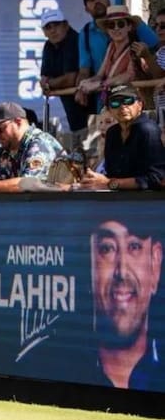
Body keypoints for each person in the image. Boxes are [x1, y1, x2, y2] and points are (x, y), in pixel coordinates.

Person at [90, 217, 164, 390]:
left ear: (155, 265)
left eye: (134, 246)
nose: (122, 272)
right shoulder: (61, 366)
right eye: (107, 248)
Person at [80, 84, 165, 191]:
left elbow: (157, 178)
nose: (122, 106)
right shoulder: (112, 133)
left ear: (140, 105)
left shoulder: (148, 130)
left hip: (149, 198)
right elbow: (111, 174)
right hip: (119, 197)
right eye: (115, 103)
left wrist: (110, 183)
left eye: (128, 100)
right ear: (109, 109)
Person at [76, 6, 148, 108]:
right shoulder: (111, 47)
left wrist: (100, 84)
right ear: (107, 30)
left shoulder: (136, 48)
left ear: (129, 27)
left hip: (131, 104)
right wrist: (86, 83)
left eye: (121, 24)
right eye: (111, 25)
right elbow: (100, 74)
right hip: (114, 102)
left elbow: (129, 75)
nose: (116, 28)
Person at [38, 9, 90, 150]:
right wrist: (48, 83)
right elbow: (44, 80)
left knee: (90, 156)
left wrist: (50, 83)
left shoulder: (74, 41)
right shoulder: (49, 45)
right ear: (44, 32)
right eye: (48, 27)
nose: (53, 30)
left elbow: (70, 80)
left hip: (90, 113)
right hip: (72, 116)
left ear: (66, 25)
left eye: (56, 25)